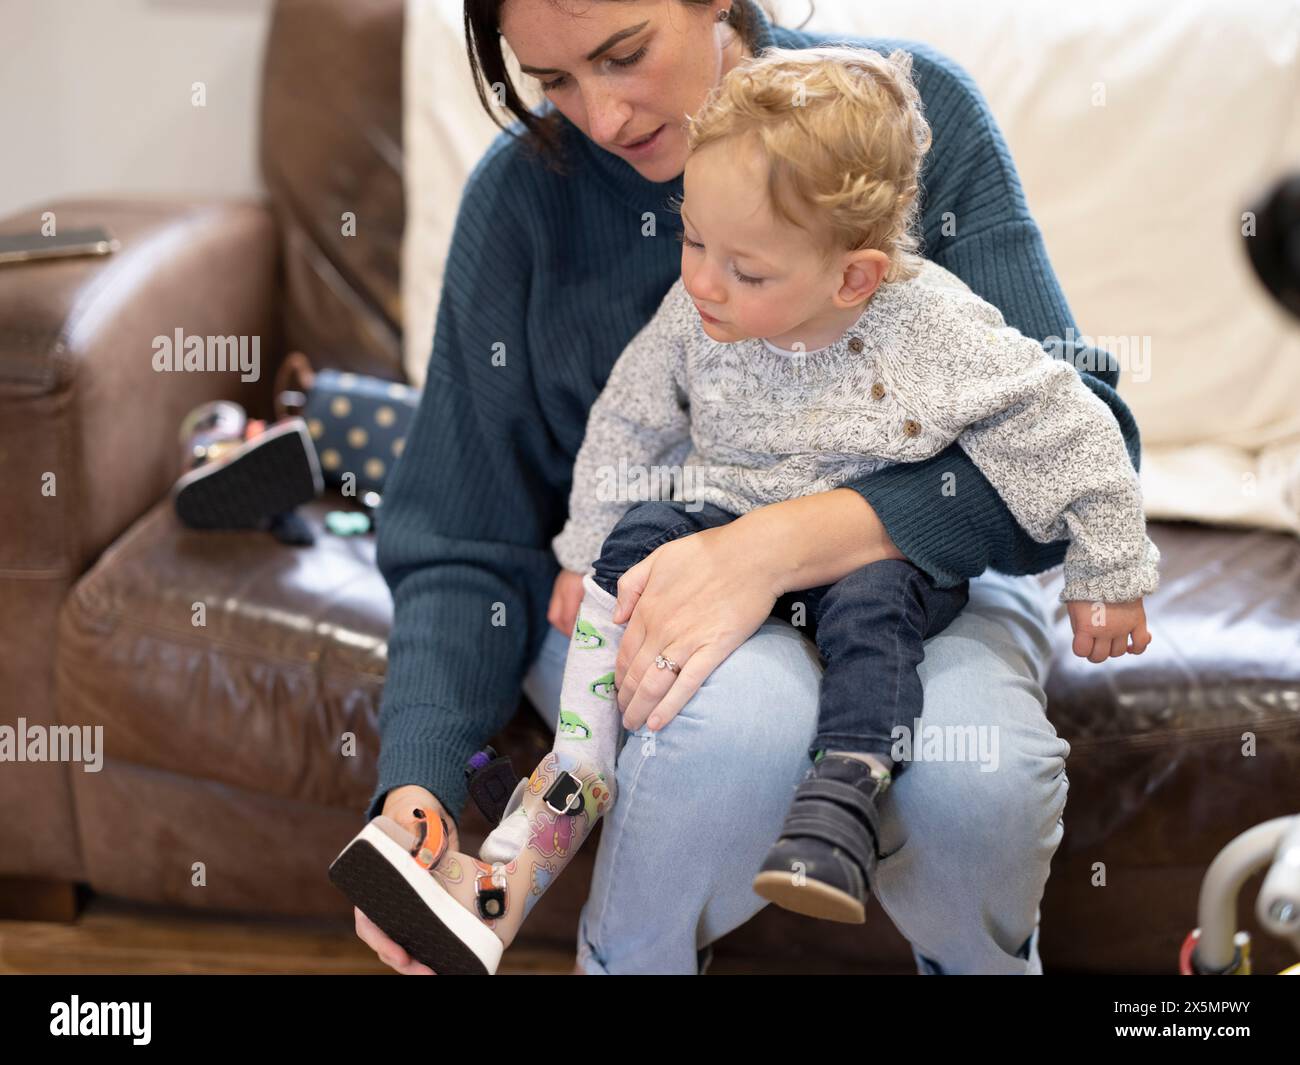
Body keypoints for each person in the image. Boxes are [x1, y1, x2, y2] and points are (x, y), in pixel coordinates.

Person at [356, 0, 1142, 975]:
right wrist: (420, 784)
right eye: (553, 80)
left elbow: (1081, 440)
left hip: (933, 588)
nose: (599, 118)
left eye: (623, 53)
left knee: (973, 788)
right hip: (656, 566)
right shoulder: (523, 199)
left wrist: (784, 544)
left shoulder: (910, 118)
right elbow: (462, 538)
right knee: (740, 728)